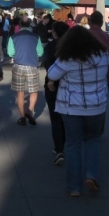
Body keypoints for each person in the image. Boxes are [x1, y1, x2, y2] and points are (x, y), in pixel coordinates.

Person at [46, 26, 109, 197]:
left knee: (73, 144)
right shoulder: (103, 55)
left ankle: (74, 186)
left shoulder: (67, 58)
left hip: (71, 106)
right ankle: (91, 175)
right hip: (96, 106)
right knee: (92, 140)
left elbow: (51, 75)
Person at [7, 16, 44, 126]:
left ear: (20, 24)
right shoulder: (36, 37)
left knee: (20, 92)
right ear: (30, 24)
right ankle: (30, 111)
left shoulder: (13, 37)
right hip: (32, 65)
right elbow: (40, 53)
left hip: (18, 65)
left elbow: (10, 53)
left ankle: (22, 117)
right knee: (34, 90)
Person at [42, 21, 69, 166]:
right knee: (67, 116)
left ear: (55, 33)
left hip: (52, 83)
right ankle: (66, 143)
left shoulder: (51, 46)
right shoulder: (72, 46)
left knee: (55, 117)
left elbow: (46, 63)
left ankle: (59, 149)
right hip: (68, 85)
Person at [87, 11, 109, 91]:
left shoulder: (81, 36)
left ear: (89, 21)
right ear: (102, 23)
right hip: (103, 78)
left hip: (83, 78)